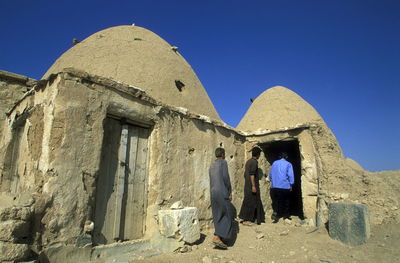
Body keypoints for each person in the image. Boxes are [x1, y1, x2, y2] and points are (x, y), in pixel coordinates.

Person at [209, 147, 234, 249]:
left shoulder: (211, 165)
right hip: (222, 191)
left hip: (213, 192)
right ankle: (218, 236)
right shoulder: (223, 163)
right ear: (223, 154)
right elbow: (225, 178)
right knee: (227, 214)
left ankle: (218, 235)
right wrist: (229, 191)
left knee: (217, 214)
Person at [238, 147, 265, 225]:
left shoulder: (248, 162)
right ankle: (247, 220)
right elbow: (252, 174)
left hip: (247, 185)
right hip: (251, 186)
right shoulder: (254, 162)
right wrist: (253, 186)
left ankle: (256, 218)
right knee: (251, 202)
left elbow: (245, 174)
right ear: (258, 154)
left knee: (252, 201)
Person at [269, 152, 294, 223]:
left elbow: (270, 174)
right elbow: (290, 175)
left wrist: (272, 180)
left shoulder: (274, 163)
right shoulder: (288, 164)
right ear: (286, 157)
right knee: (286, 201)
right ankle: (286, 216)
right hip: (285, 186)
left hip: (275, 185)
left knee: (276, 201)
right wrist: (291, 184)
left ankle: (276, 215)